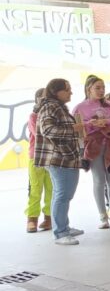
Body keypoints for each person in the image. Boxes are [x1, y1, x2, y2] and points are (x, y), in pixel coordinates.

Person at [34, 78, 85, 245]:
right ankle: (60, 232)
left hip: (65, 157)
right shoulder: (51, 106)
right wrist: (73, 128)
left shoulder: (57, 106)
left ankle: (64, 227)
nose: (71, 92)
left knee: (64, 194)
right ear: (56, 92)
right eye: (67, 89)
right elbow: (48, 130)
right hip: (58, 157)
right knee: (62, 195)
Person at [72, 75, 110, 229]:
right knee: (98, 180)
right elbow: (77, 130)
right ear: (88, 89)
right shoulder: (79, 107)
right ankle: (103, 216)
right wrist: (91, 124)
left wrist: (107, 121)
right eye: (97, 87)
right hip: (93, 148)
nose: (101, 90)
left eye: (103, 87)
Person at [25, 88, 53, 233]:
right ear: (36, 99)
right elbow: (39, 134)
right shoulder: (33, 116)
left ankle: (49, 218)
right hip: (35, 157)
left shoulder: (53, 115)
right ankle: (32, 219)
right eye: (42, 98)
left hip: (52, 157)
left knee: (51, 189)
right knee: (35, 188)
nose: (45, 100)